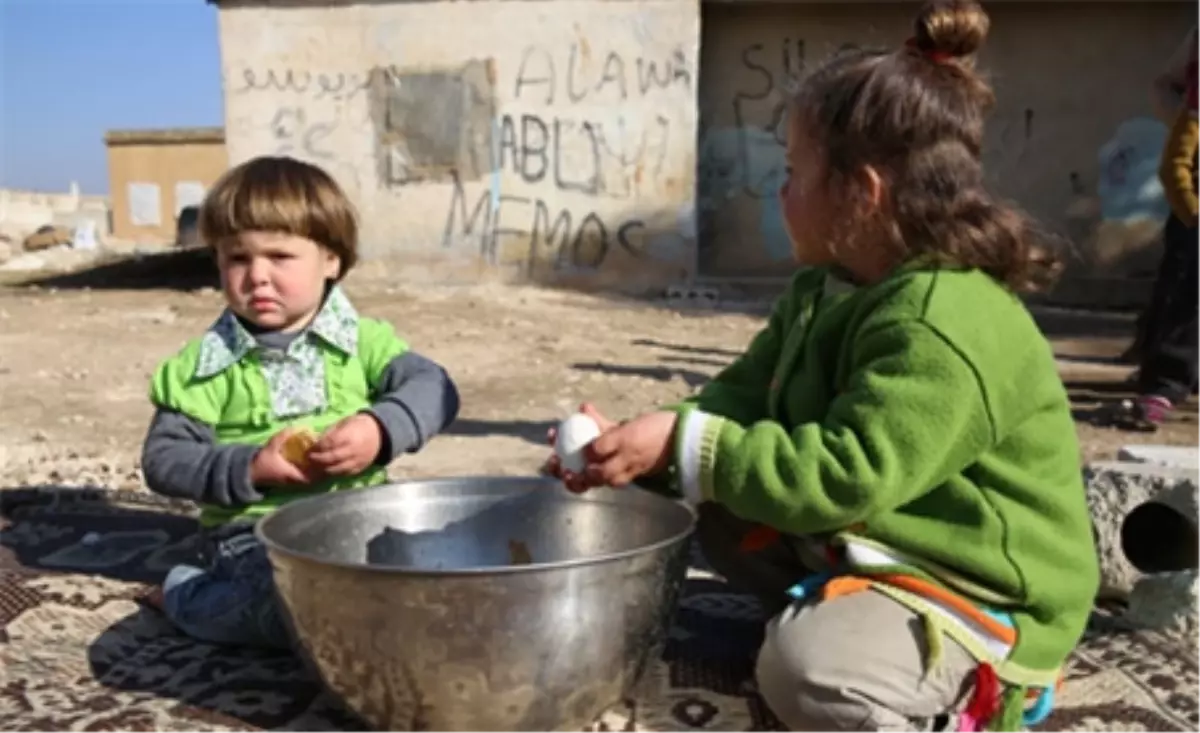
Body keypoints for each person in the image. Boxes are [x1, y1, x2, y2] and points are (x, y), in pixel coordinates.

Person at [545, 2, 1098, 730]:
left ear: (861, 194)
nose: (780, 192)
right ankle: (848, 616)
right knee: (705, 499)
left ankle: (975, 684)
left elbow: (848, 473)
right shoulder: (824, 288)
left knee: (805, 672)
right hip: (880, 536)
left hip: (972, 583)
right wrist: (641, 446)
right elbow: (741, 397)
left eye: (791, 171)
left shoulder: (944, 319)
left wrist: (691, 448)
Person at [140, 156, 460, 649]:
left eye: (280, 257)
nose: (257, 277)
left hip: (362, 514)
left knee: (439, 576)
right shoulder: (205, 365)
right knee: (285, 610)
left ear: (331, 259)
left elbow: (433, 386)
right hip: (254, 534)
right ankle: (186, 593)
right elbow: (165, 460)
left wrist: (379, 428)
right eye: (238, 259)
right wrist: (252, 467)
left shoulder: (362, 343)